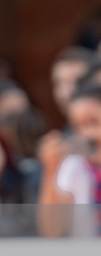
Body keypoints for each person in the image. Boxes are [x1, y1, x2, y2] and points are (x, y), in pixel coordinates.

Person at [38, 82, 101, 236]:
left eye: (93, 122)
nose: (85, 134)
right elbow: (52, 231)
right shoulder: (74, 166)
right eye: (77, 126)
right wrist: (51, 169)